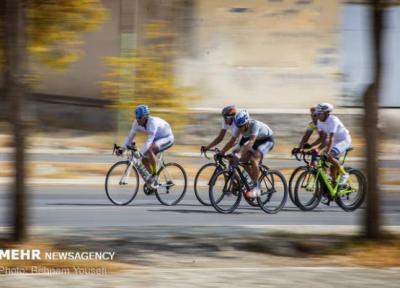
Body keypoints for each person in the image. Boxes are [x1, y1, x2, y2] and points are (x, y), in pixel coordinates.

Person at [220, 110, 274, 198]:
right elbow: (232, 141)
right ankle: (253, 179)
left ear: (247, 123)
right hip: (256, 141)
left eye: (242, 126)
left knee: (253, 159)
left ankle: (256, 187)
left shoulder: (254, 125)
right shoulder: (239, 127)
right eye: (238, 126)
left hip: (266, 140)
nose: (240, 129)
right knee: (243, 161)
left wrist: (238, 155)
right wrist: (222, 152)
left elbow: (251, 142)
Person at [117, 104, 174, 186]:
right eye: (136, 117)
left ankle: (155, 175)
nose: (138, 120)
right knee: (144, 159)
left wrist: (140, 153)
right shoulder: (136, 123)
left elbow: (149, 141)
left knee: (150, 149)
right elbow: (129, 138)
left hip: (167, 137)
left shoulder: (152, 123)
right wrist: (122, 149)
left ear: (145, 117)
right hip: (157, 139)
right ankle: (154, 181)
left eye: (139, 118)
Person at [309, 103, 352, 186]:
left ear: (326, 113)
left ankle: (344, 174)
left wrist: (327, 152)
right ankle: (332, 183)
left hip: (344, 140)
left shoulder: (333, 120)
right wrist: (310, 146)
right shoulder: (319, 121)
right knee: (323, 159)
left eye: (319, 113)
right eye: (316, 113)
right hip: (335, 141)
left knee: (329, 156)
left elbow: (331, 138)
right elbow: (322, 138)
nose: (317, 115)